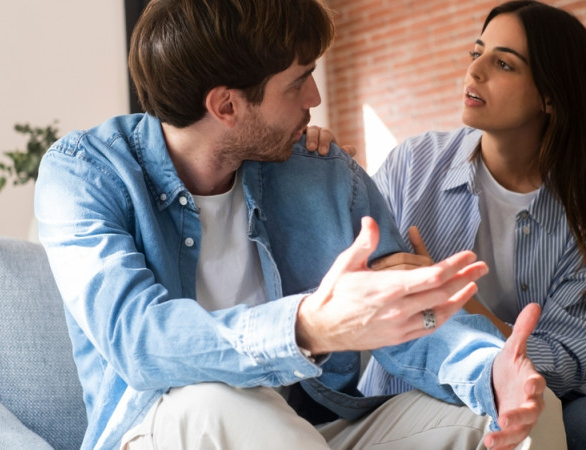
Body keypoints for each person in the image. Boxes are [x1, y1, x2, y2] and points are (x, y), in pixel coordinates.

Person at [34, 0, 556, 449]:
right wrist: (308, 326)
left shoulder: (321, 171)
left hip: (311, 427)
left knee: (531, 413)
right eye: (299, 81)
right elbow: (139, 339)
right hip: (164, 424)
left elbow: (404, 323)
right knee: (225, 404)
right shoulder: (85, 172)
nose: (315, 99)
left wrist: (489, 369)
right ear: (226, 105)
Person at [358, 1, 586, 449]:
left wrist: (456, 303)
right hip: (413, 385)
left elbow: (562, 362)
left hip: (556, 392)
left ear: (551, 95)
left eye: (503, 63)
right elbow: (353, 280)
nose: (475, 71)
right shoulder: (413, 165)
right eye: (476, 52)